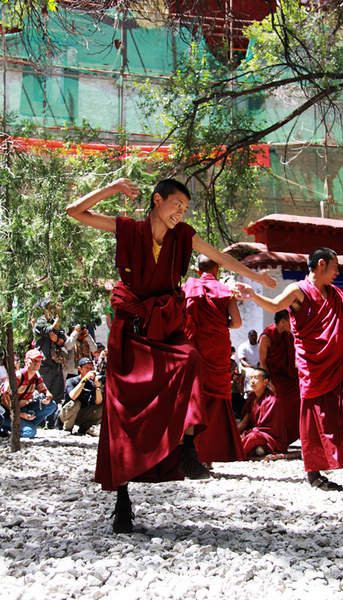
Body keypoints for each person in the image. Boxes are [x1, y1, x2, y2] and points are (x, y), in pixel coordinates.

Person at [66, 176, 276, 533]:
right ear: (157, 200)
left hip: (166, 325)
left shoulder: (184, 237)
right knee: (122, 412)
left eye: (185, 209)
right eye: (176, 205)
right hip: (132, 328)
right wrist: (114, 188)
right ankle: (122, 499)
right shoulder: (128, 229)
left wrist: (257, 280)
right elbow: (75, 212)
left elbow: (219, 256)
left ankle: (188, 448)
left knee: (190, 360)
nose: (181, 213)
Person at [234, 247, 343, 490]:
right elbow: (273, 305)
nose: (337, 272)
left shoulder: (336, 294)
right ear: (321, 264)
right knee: (314, 417)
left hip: (342, 362)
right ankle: (314, 474)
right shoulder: (298, 290)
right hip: (314, 366)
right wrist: (251, 295)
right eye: (335, 267)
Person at [182, 254, 244, 465]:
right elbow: (236, 323)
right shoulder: (226, 291)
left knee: (194, 398)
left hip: (194, 349)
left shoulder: (188, 288)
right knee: (215, 400)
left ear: (198, 270)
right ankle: (208, 456)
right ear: (217, 270)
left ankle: (189, 453)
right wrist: (219, 324)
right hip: (217, 351)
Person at [259, 310, 300, 446]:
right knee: (280, 406)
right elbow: (263, 362)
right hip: (275, 377)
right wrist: (269, 382)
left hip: (289, 376)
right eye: (290, 321)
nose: (293, 324)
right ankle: (278, 438)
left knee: (298, 402)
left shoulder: (289, 336)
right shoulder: (266, 336)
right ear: (282, 322)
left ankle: (291, 437)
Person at [0, 349, 56, 438]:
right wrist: (19, 414)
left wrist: (48, 397)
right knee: (29, 433)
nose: (37, 363)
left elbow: (46, 392)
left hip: (22, 408)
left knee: (51, 405)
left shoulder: (36, 377)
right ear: (26, 361)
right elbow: (4, 397)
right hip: (8, 411)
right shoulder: (17, 376)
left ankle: (25, 424)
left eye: (39, 361)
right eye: (34, 360)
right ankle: (9, 427)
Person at [238, 368, 287, 459]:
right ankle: (255, 450)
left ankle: (236, 455)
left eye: (256, 378)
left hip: (269, 437)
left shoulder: (272, 401)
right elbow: (245, 421)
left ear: (265, 381)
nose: (252, 381)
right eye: (251, 378)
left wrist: (248, 434)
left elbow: (270, 429)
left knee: (252, 438)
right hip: (254, 432)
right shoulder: (251, 398)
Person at [60, 357, 103, 435]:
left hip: (82, 414)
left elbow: (98, 402)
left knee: (101, 407)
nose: (89, 370)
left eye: (91, 368)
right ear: (80, 369)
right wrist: (84, 380)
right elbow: (73, 396)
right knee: (75, 403)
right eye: (87, 368)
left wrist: (97, 387)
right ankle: (67, 429)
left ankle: (84, 428)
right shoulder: (71, 381)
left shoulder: (91, 383)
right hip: (67, 413)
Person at [238, 330, 260, 396]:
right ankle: (249, 392)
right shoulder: (243, 346)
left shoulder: (260, 346)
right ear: (248, 336)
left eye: (255, 336)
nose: (253, 337)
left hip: (259, 366)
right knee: (251, 374)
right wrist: (252, 367)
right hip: (247, 367)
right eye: (252, 336)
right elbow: (242, 361)